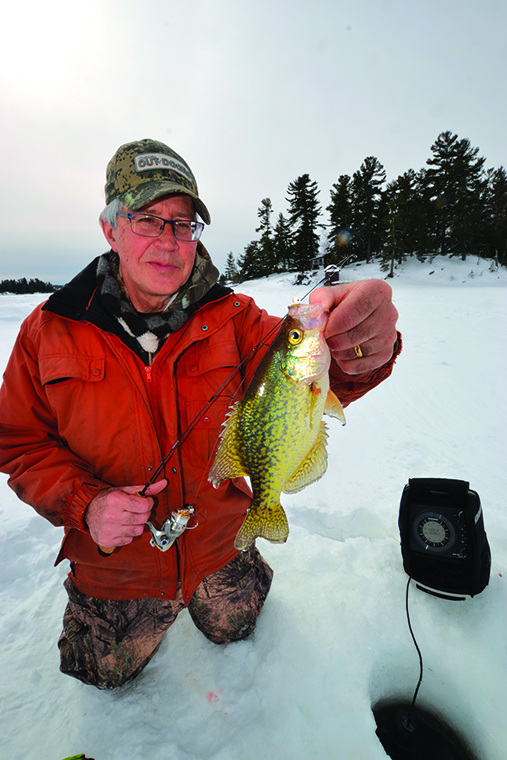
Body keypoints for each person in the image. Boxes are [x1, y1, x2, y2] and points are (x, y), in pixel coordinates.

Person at [0, 139, 401, 690]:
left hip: (219, 546)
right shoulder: (46, 331)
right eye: (148, 220)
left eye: (183, 224)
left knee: (240, 628)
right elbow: (20, 444)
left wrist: (361, 345)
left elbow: (305, 377)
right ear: (110, 229)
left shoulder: (237, 319)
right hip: (115, 566)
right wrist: (84, 504)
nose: (168, 242)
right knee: (100, 674)